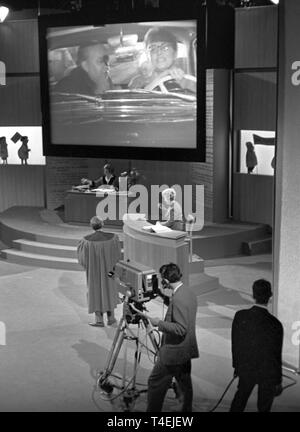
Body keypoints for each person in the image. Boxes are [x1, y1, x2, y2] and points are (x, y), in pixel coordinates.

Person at [145, 263, 199, 412]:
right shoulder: (187, 292)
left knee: (155, 383)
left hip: (173, 352)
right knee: (184, 384)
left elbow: (181, 328)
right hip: (185, 349)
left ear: (166, 281)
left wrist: (159, 323)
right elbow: (181, 310)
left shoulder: (179, 298)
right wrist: (163, 296)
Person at [230, 279, 284, 412]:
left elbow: (235, 345)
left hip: (246, 368)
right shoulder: (275, 324)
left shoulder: (240, 316)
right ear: (270, 296)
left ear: (253, 295)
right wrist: (278, 380)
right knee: (264, 408)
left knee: (239, 402)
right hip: (267, 372)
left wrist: (237, 367)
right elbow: (276, 355)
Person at [77, 216, 121, 327]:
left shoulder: (86, 241)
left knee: (96, 292)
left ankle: (99, 320)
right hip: (109, 272)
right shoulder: (113, 238)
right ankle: (111, 318)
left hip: (94, 273)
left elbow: (83, 260)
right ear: (103, 224)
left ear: (91, 226)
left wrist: (91, 266)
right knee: (109, 290)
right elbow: (117, 256)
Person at [129, 27, 196, 93]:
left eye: (165, 48)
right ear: (148, 55)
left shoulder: (188, 80)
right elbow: (135, 100)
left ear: (175, 54)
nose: (159, 52)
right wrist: (164, 74)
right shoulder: (138, 81)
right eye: (153, 48)